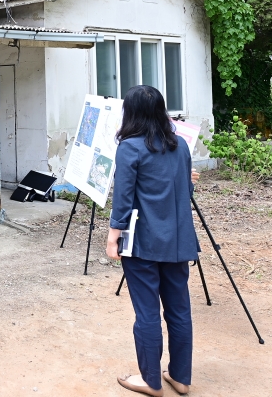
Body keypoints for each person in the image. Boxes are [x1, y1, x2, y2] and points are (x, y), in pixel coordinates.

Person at [107, 85, 200, 397]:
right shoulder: (181, 146)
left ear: (131, 113)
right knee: (178, 311)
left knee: (147, 313)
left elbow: (122, 199)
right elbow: (185, 192)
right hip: (179, 242)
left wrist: (112, 238)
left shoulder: (130, 147)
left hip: (144, 243)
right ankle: (181, 377)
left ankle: (150, 380)